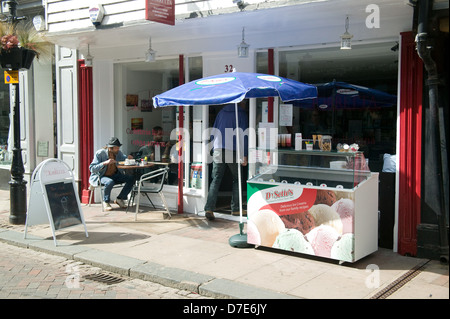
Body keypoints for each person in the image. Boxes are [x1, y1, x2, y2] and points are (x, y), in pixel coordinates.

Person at [204, 103, 248, 221]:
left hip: (218, 148)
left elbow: (213, 131)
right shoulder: (241, 114)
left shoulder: (221, 112)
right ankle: (236, 208)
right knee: (237, 178)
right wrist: (244, 154)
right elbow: (244, 135)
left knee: (216, 179)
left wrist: (213, 148)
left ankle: (209, 208)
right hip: (231, 150)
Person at [89, 137, 135, 211]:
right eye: (116, 148)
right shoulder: (100, 153)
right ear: (111, 148)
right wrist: (104, 163)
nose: (118, 149)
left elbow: (124, 159)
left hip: (114, 175)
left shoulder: (118, 153)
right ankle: (106, 202)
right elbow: (92, 168)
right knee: (109, 182)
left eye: (118, 147)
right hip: (102, 176)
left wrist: (128, 158)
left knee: (131, 178)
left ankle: (120, 198)